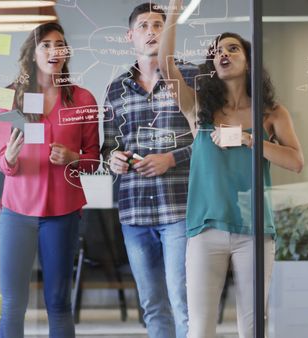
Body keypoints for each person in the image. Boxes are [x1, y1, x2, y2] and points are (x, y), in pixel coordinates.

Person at [158, 1, 304, 337]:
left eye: (232, 48)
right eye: (217, 51)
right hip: (205, 231)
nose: (223, 54)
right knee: (200, 328)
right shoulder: (199, 110)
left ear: (248, 60)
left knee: (252, 329)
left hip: (254, 231)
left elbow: (295, 162)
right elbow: (166, 68)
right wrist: (173, 12)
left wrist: (249, 140)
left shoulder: (271, 113)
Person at [0, 22, 100, 338]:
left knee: (58, 303)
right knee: (13, 303)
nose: (55, 51)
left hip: (63, 214)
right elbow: (2, 160)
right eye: (46, 45)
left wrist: (73, 159)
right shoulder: (6, 95)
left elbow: (94, 161)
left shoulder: (83, 98)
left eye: (60, 44)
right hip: (16, 212)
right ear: (33, 52)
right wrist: (10, 158)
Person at [102, 3, 198, 338]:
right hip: (134, 211)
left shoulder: (190, 77)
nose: (151, 31)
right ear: (131, 36)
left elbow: (208, 140)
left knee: (183, 300)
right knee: (153, 304)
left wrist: (172, 158)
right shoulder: (115, 89)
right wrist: (113, 158)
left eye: (158, 24)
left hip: (179, 208)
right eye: (143, 25)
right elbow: (108, 145)